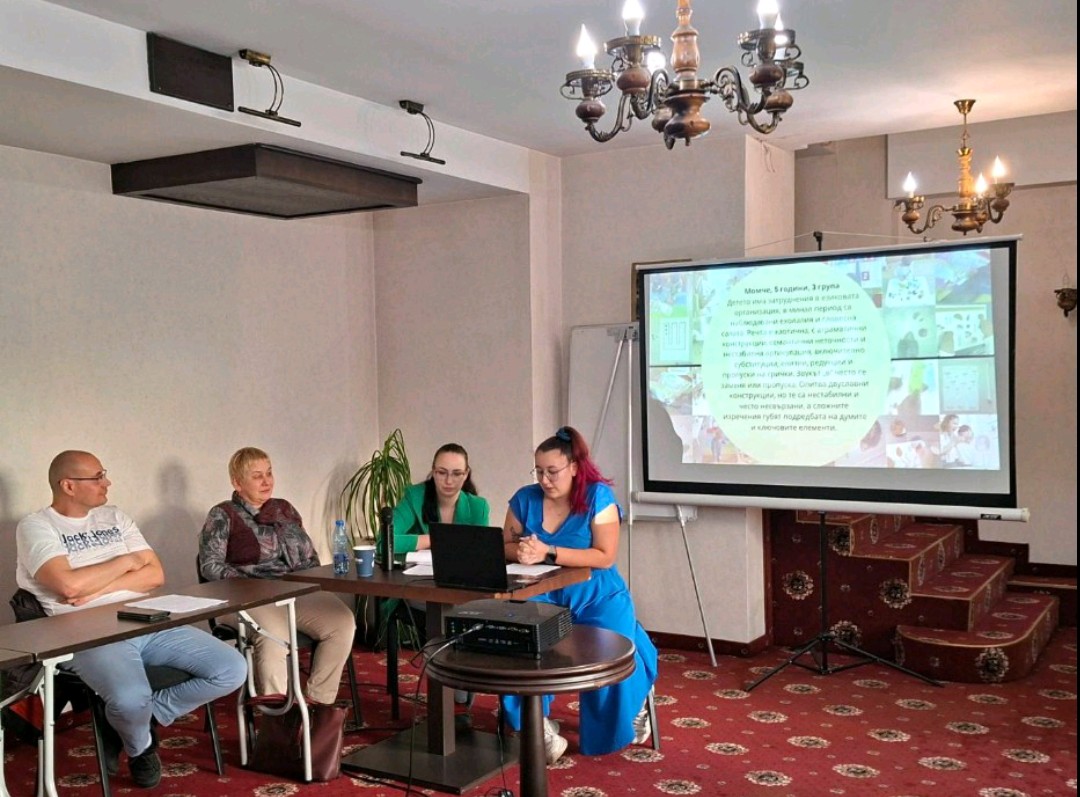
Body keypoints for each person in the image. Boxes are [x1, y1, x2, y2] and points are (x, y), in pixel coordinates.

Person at [15, 451, 247, 789]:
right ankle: (141, 746)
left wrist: (95, 587)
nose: (107, 482)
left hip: (143, 617)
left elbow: (154, 576)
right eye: (97, 477)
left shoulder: (115, 517)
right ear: (68, 485)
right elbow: (68, 586)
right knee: (128, 700)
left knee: (232, 668)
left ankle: (132, 721)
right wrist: (125, 562)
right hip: (85, 633)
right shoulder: (36, 526)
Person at [502, 426, 658, 763]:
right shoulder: (524, 499)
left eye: (552, 471)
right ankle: (536, 727)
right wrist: (522, 552)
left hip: (597, 593)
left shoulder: (598, 496)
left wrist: (548, 551)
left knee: (613, 649)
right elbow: (506, 546)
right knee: (516, 643)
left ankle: (630, 707)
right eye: (539, 471)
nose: (545, 480)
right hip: (542, 591)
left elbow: (605, 555)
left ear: (573, 467)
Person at [198, 447, 355, 706]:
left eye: (269, 473)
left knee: (341, 622)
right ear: (237, 483)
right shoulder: (222, 514)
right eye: (257, 475)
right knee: (274, 635)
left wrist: (308, 580)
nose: (266, 481)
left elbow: (310, 558)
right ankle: (278, 716)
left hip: (292, 592)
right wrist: (253, 585)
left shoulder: (285, 510)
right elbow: (210, 566)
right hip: (244, 598)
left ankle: (319, 704)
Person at [390, 443, 490, 554]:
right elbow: (385, 542)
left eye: (457, 474)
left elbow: (481, 552)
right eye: (442, 472)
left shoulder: (479, 507)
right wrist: (435, 539)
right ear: (433, 471)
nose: (449, 481)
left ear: (466, 474)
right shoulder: (414, 497)